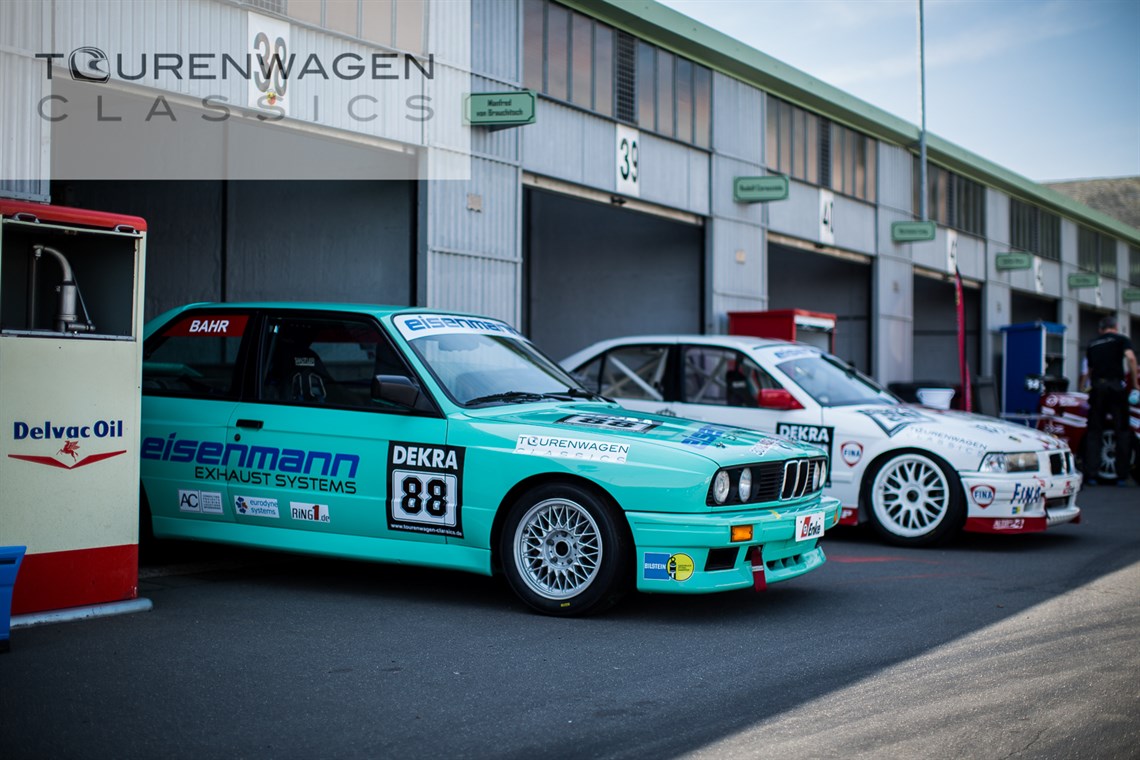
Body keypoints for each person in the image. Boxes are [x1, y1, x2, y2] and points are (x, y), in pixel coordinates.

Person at [1083, 316, 1139, 485]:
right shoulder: (1121, 340)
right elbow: (1130, 358)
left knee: (1094, 432)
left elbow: (1089, 369)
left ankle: (1091, 475)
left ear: (1100, 329)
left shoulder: (1092, 344)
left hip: (1097, 388)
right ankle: (1121, 476)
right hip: (1116, 387)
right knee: (1122, 430)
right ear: (1115, 327)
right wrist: (1135, 384)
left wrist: (1083, 386)